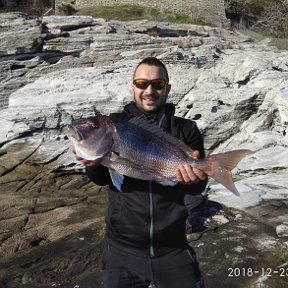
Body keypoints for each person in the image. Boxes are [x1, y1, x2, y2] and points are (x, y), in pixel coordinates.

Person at [72, 57, 208, 288]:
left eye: (158, 84)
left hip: (172, 247)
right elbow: (101, 179)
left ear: (168, 88)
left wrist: (197, 176)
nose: (149, 90)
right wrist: (91, 162)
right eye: (142, 83)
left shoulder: (186, 130)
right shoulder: (115, 123)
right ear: (133, 86)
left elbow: (197, 187)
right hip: (122, 249)